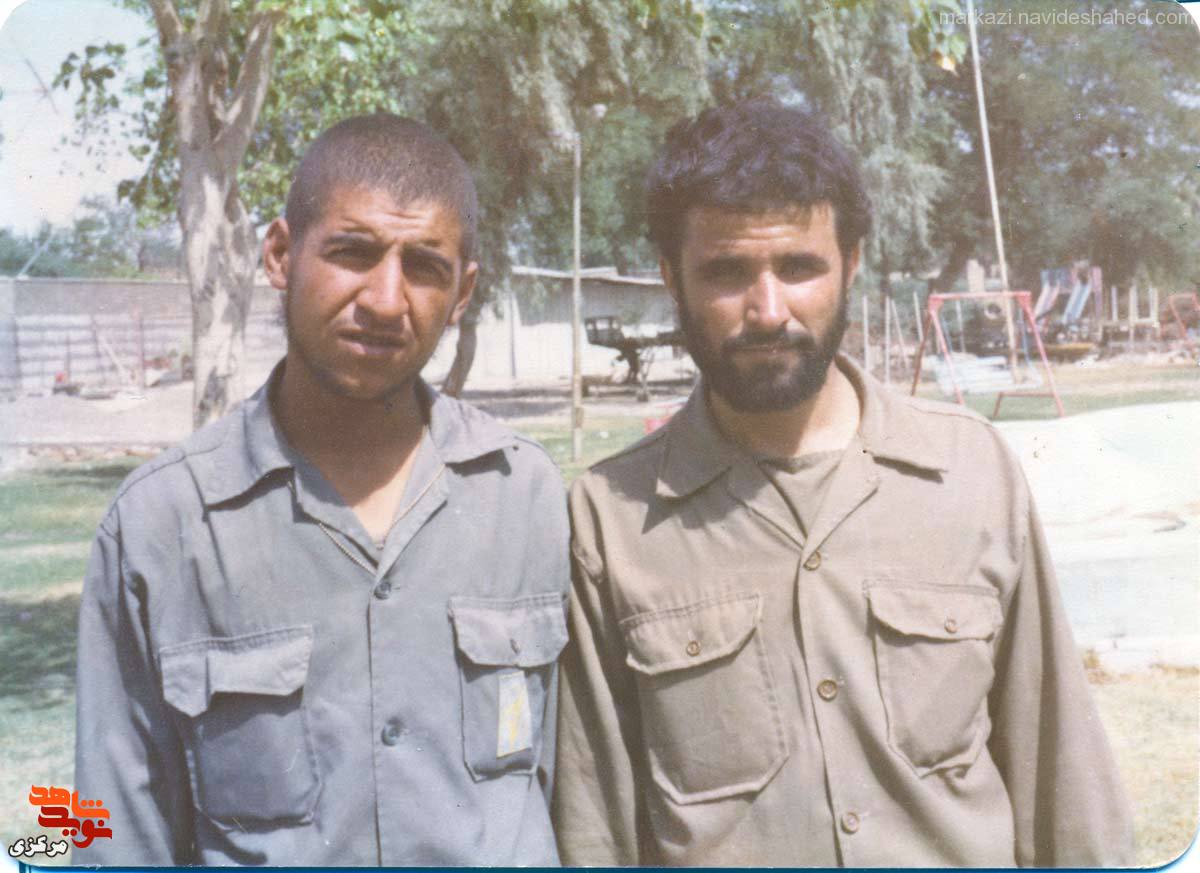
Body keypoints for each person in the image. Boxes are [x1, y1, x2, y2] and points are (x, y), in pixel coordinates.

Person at [552, 100, 1133, 867]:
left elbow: (1062, 780)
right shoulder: (609, 522)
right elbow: (595, 829)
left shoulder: (971, 473)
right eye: (726, 272)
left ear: (851, 263)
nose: (768, 310)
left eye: (799, 267)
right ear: (671, 278)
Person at [74, 114, 569, 866]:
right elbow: (108, 832)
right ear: (280, 254)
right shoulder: (161, 525)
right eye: (352, 253)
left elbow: (567, 790)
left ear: (463, 291)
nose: (386, 299)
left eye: (424, 266)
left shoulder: (524, 495)